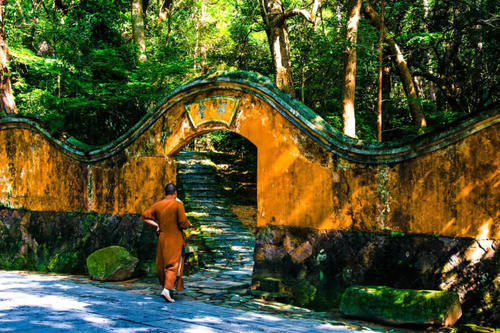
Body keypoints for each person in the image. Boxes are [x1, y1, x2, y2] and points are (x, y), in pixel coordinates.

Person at [141, 183, 191, 303]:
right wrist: (188, 225)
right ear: (175, 193)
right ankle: (167, 289)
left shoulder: (158, 204)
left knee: (162, 264)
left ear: (165, 193)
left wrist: (157, 224)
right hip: (175, 237)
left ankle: (166, 288)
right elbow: (182, 222)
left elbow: (144, 216)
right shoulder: (178, 205)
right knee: (173, 264)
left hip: (162, 237)